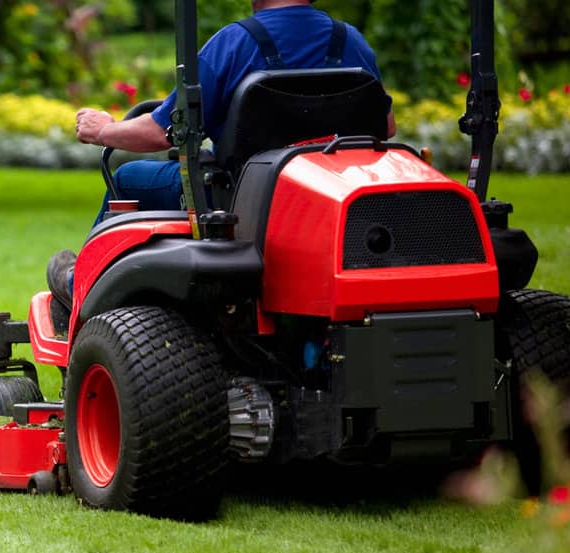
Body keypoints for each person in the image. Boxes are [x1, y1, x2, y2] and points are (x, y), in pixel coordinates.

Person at [47, 0, 395, 317]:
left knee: (128, 176)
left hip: (237, 201)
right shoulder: (350, 41)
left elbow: (162, 130)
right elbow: (387, 126)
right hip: (330, 200)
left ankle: (80, 284)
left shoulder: (234, 43)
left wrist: (104, 131)